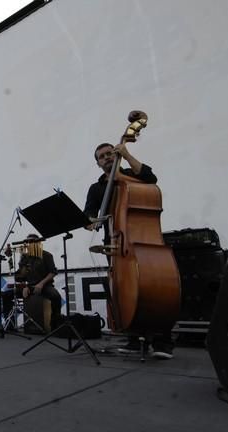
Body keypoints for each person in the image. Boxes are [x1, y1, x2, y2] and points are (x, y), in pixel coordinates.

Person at [83, 142, 175, 360]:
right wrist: (89, 221)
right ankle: (134, 339)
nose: (106, 158)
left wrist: (127, 154)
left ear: (116, 155)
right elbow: (88, 214)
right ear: (97, 163)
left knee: (154, 289)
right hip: (116, 244)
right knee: (124, 292)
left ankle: (162, 341)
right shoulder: (96, 188)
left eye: (109, 154)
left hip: (143, 240)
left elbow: (151, 179)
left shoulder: (132, 177)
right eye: (101, 157)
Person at [14, 234, 62, 330]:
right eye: (27, 242)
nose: (28, 244)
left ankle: (55, 325)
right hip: (29, 286)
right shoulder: (25, 258)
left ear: (38, 243)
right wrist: (24, 286)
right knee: (5, 295)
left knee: (56, 296)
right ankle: (10, 326)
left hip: (44, 285)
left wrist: (41, 284)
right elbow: (19, 278)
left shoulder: (47, 255)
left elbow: (53, 272)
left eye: (31, 242)